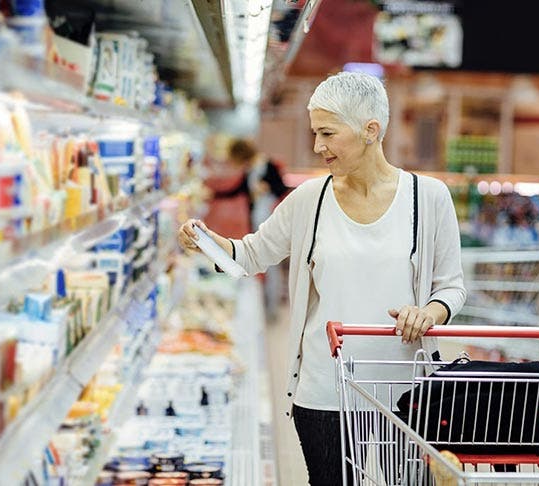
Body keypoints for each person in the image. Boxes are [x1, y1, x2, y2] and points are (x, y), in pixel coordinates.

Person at [178, 71, 466, 485]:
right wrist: (206, 241)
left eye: (328, 133)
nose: (317, 146)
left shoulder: (429, 197)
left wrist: (430, 312)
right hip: (325, 387)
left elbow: (451, 287)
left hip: (407, 391)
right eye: (316, 133)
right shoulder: (309, 200)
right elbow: (251, 254)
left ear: (371, 130)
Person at [213, 138, 289, 316]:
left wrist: (267, 187)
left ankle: (272, 307)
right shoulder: (250, 170)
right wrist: (214, 194)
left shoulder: (268, 166)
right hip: (257, 220)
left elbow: (281, 188)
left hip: (270, 219)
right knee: (261, 261)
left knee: (271, 264)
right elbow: (237, 190)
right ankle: (266, 304)